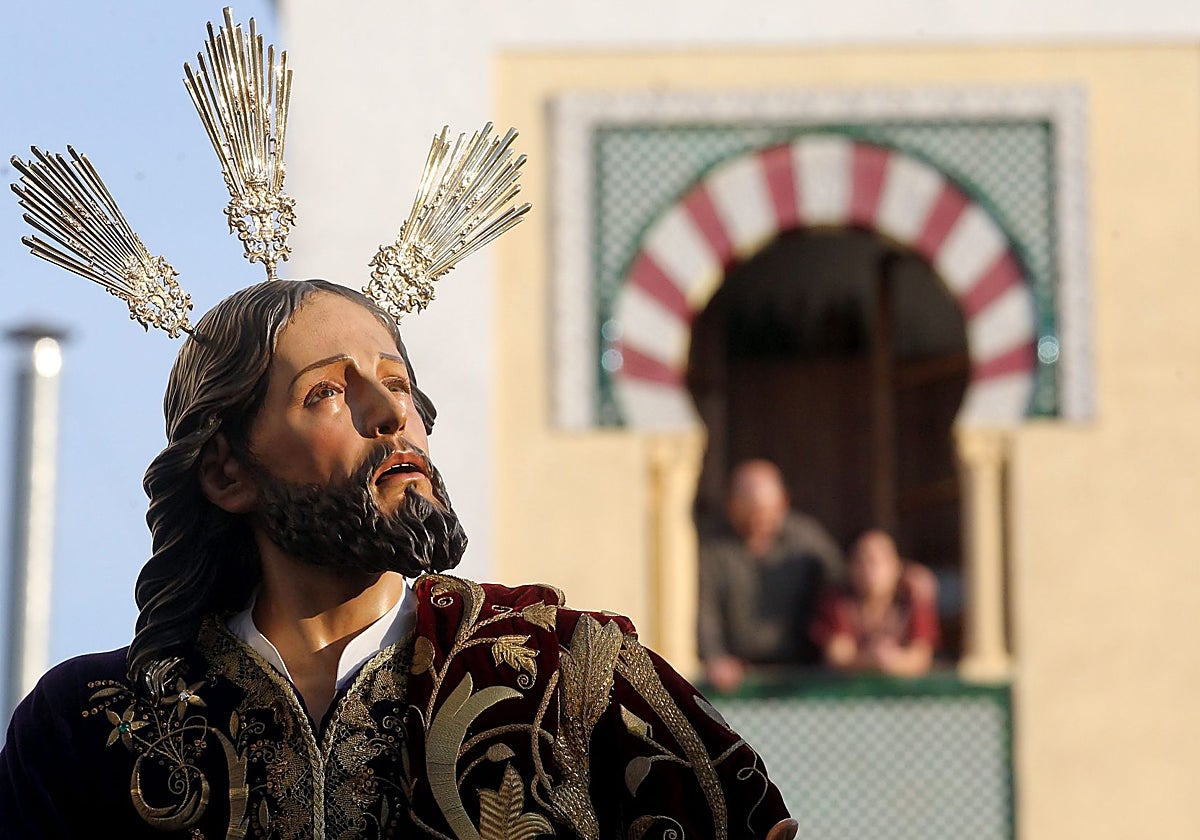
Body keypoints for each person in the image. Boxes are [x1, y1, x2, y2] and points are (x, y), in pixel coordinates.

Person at [0, 280, 797, 839]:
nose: (393, 416)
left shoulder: (574, 677)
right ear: (227, 474)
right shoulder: (93, 730)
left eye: (398, 384)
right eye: (326, 394)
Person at [697, 458, 843, 693]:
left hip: (805, 674)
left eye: (766, 512)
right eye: (750, 513)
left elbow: (840, 588)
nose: (759, 521)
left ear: (783, 503)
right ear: (732, 506)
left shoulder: (808, 541)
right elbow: (705, 609)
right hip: (739, 676)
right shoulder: (712, 549)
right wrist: (715, 657)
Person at [811, 528, 940, 677]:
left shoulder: (912, 598)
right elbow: (838, 656)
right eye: (861, 561)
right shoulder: (837, 602)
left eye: (877, 561)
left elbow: (921, 656)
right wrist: (871, 660)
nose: (869, 570)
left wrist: (894, 661)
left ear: (896, 566)